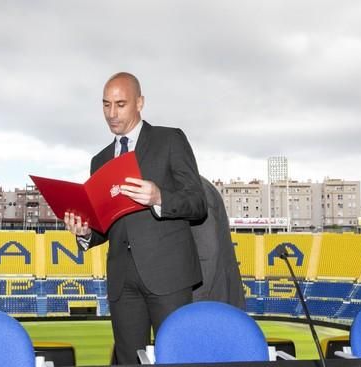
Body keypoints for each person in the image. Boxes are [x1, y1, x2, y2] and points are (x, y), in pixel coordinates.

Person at [64, 72, 206, 364]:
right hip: (122, 280)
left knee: (175, 358)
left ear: (140, 103)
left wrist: (159, 197)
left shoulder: (170, 139)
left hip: (168, 275)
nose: (111, 114)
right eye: (106, 105)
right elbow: (106, 225)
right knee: (128, 360)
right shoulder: (99, 160)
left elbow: (197, 203)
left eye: (120, 104)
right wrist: (84, 232)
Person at [191, 176, 246, 308]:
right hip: (215, 300)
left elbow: (206, 255)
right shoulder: (197, 186)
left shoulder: (194, 190)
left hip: (208, 304)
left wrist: (191, 308)